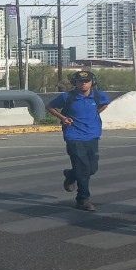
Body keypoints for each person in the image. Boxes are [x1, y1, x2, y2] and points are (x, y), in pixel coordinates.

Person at [47, 70, 110, 211]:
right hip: (74, 136)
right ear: (75, 83)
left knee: (92, 168)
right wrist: (63, 118)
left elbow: (105, 103)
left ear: (92, 82)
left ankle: (70, 174)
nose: (83, 84)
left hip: (92, 135)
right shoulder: (67, 97)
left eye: (86, 81)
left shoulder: (99, 95)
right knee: (83, 168)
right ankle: (83, 199)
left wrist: (96, 113)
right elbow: (50, 106)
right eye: (80, 82)